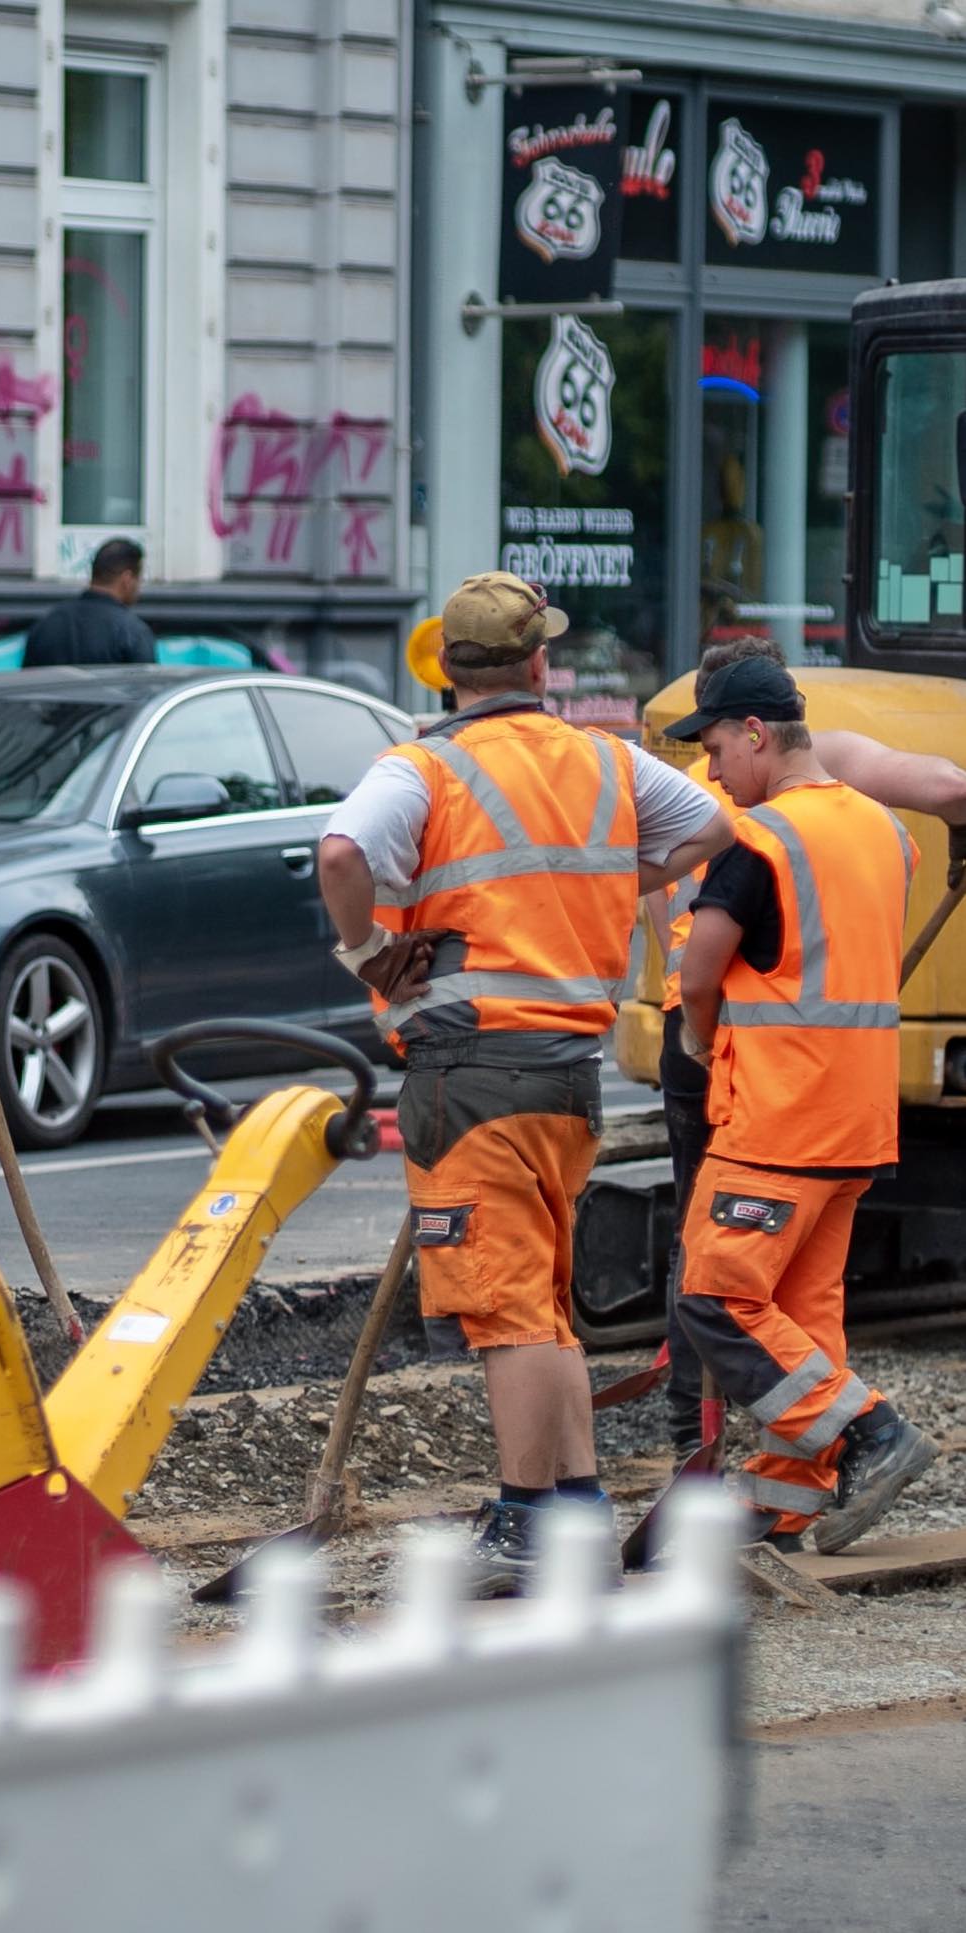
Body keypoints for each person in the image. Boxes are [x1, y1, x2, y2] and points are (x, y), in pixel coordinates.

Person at [319, 572, 731, 1594]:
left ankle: (523, 1522)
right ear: (540, 662)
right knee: (542, 1305)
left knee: (505, 1311)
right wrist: (609, 882)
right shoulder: (606, 760)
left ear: (447, 666)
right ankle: (578, 1510)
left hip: (470, 1069)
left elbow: (338, 851)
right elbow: (711, 828)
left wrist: (367, 951)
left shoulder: (422, 768)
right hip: (565, 1072)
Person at [650, 638, 966, 1461]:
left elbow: (694, 974)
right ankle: (791, 1496)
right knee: (802, 1309)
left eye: (716, 748)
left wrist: (703, 1038)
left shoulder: (754, 839)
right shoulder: (884, 831)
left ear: (753, 732)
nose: (712, 770)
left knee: (713, 1296)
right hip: (857, 1118)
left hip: (774, 1112)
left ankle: (869, 1430)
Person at [21, 538, 157, 667]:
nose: (140, 587)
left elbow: (28, 683)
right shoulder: (132, 631)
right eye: (139, 579)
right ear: (127, 579)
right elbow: (148, 688)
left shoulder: (46, 624)